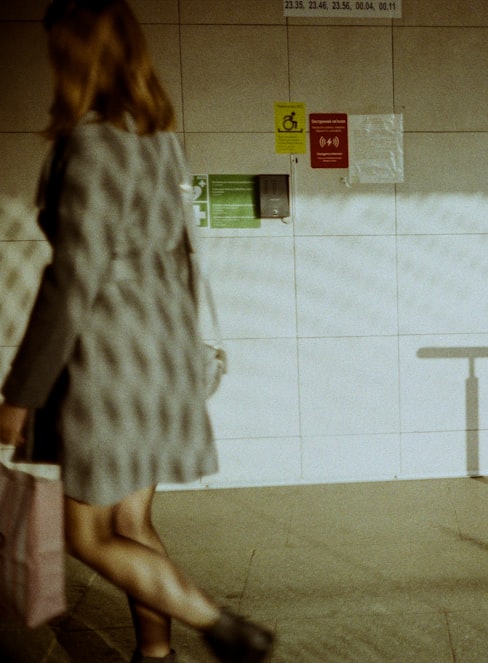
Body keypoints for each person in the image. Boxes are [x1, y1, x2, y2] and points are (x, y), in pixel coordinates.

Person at [0, 2, 274, 661]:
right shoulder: (159, 138)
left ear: (76, 55)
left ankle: (216, 622)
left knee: (88, 533)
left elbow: (73, 279)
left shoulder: (92, 142)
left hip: (108, 365)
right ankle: (157, 653)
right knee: (132, 522)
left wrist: (20, 393)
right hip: (159, 353)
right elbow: (181, 254)